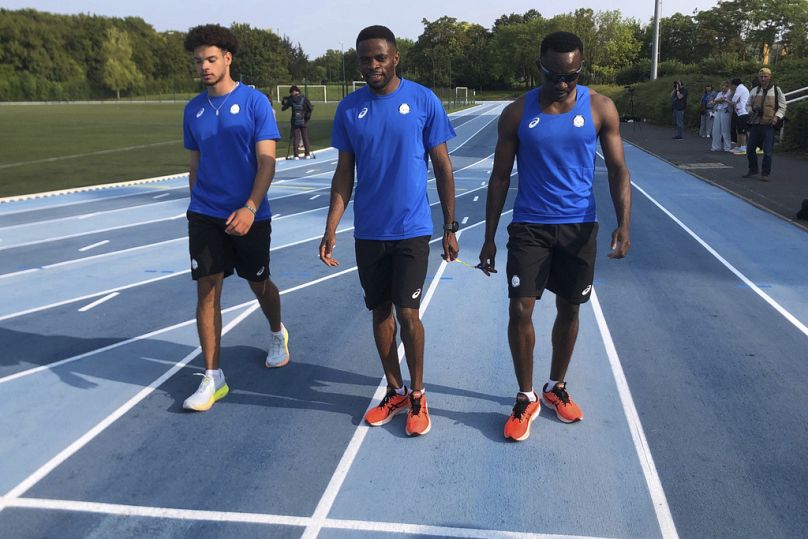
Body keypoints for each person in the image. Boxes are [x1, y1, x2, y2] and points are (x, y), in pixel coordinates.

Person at [478, 31, 632, 442]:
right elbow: (498, 178)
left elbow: (618, 170)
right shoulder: (515, 113)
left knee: (570, 308)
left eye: (572, 75)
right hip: (530, 226)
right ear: (539, 67)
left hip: (580, 227)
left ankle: (555, 387)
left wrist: (624, 222)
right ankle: (526, 395)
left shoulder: (601, 108)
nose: (563, 83)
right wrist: (489, 237)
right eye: (554, 75)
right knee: (520, 310)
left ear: (581, 67)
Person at [319, 25, 458, 437]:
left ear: (395, 57)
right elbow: (344, 173)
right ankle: (394, 391)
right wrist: (331, 227)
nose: (373, 65)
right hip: (369, 231)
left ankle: (418, 393)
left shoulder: (421, 100)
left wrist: (450, 226)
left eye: (380, 57)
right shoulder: (349, 109)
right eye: (365, 59)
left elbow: (444, 167)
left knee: (408, 312)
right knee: (379, 311)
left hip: (412, 228)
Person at [181, 24, 290, 412]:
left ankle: (277, 333)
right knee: (207, 290)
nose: (204, 67)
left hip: (250, 214)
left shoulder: (255, 102)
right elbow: (195, 164)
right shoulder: (192, 109)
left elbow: (267, 161)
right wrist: (199, 204)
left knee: (258, 282)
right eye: (198, 61)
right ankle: (213, 377)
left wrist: (250, 207)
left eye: (210, 59)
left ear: (228, 58)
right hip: (206, 215)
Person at [744, 67, 787, 182]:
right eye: (761, 76)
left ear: (770, 77)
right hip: (756, 124)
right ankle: (753, 169)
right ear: (758, 77)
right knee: (750, 149)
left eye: (765, 76)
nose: (763, 78)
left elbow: (783, 106)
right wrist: (751, 111)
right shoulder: (754, 90)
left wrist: (776, 117)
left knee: (767, 151)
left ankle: (765, 173)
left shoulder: (776, 90)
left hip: (769, 125)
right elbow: (747, 104)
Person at [281, 85, 314, 159]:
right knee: (305, 137)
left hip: (294, 121)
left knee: (296, 138)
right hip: (304, 121)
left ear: (293, 92)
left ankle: (296, 155)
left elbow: (283, 108)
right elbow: (310, 108)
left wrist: (285, 101)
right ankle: (307, 154)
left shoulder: (291, 99)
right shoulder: (304, 98)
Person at [710, 80, 733, 152]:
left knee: (725, 130)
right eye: (722, 87)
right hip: (718, 111)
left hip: (726, 111)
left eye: (725, 87)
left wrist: (718, 100)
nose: (723, 88)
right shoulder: (720, 93)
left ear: (728, 87)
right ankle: (716, 146)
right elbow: (715, 101)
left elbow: (722, 100)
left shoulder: (730, 93)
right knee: (716, 130)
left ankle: (727, 146)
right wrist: (716, 101)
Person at [730, 77, 750, 154]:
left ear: (734, 85)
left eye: (731, 85)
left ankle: (743, 147)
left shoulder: (740, 88)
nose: (731, 87)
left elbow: (734, 99)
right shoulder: (741, 88)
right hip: (740, 112)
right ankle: (739, 147)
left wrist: (731, 100)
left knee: (742, 131)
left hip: (743, 112)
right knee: (739, 130)